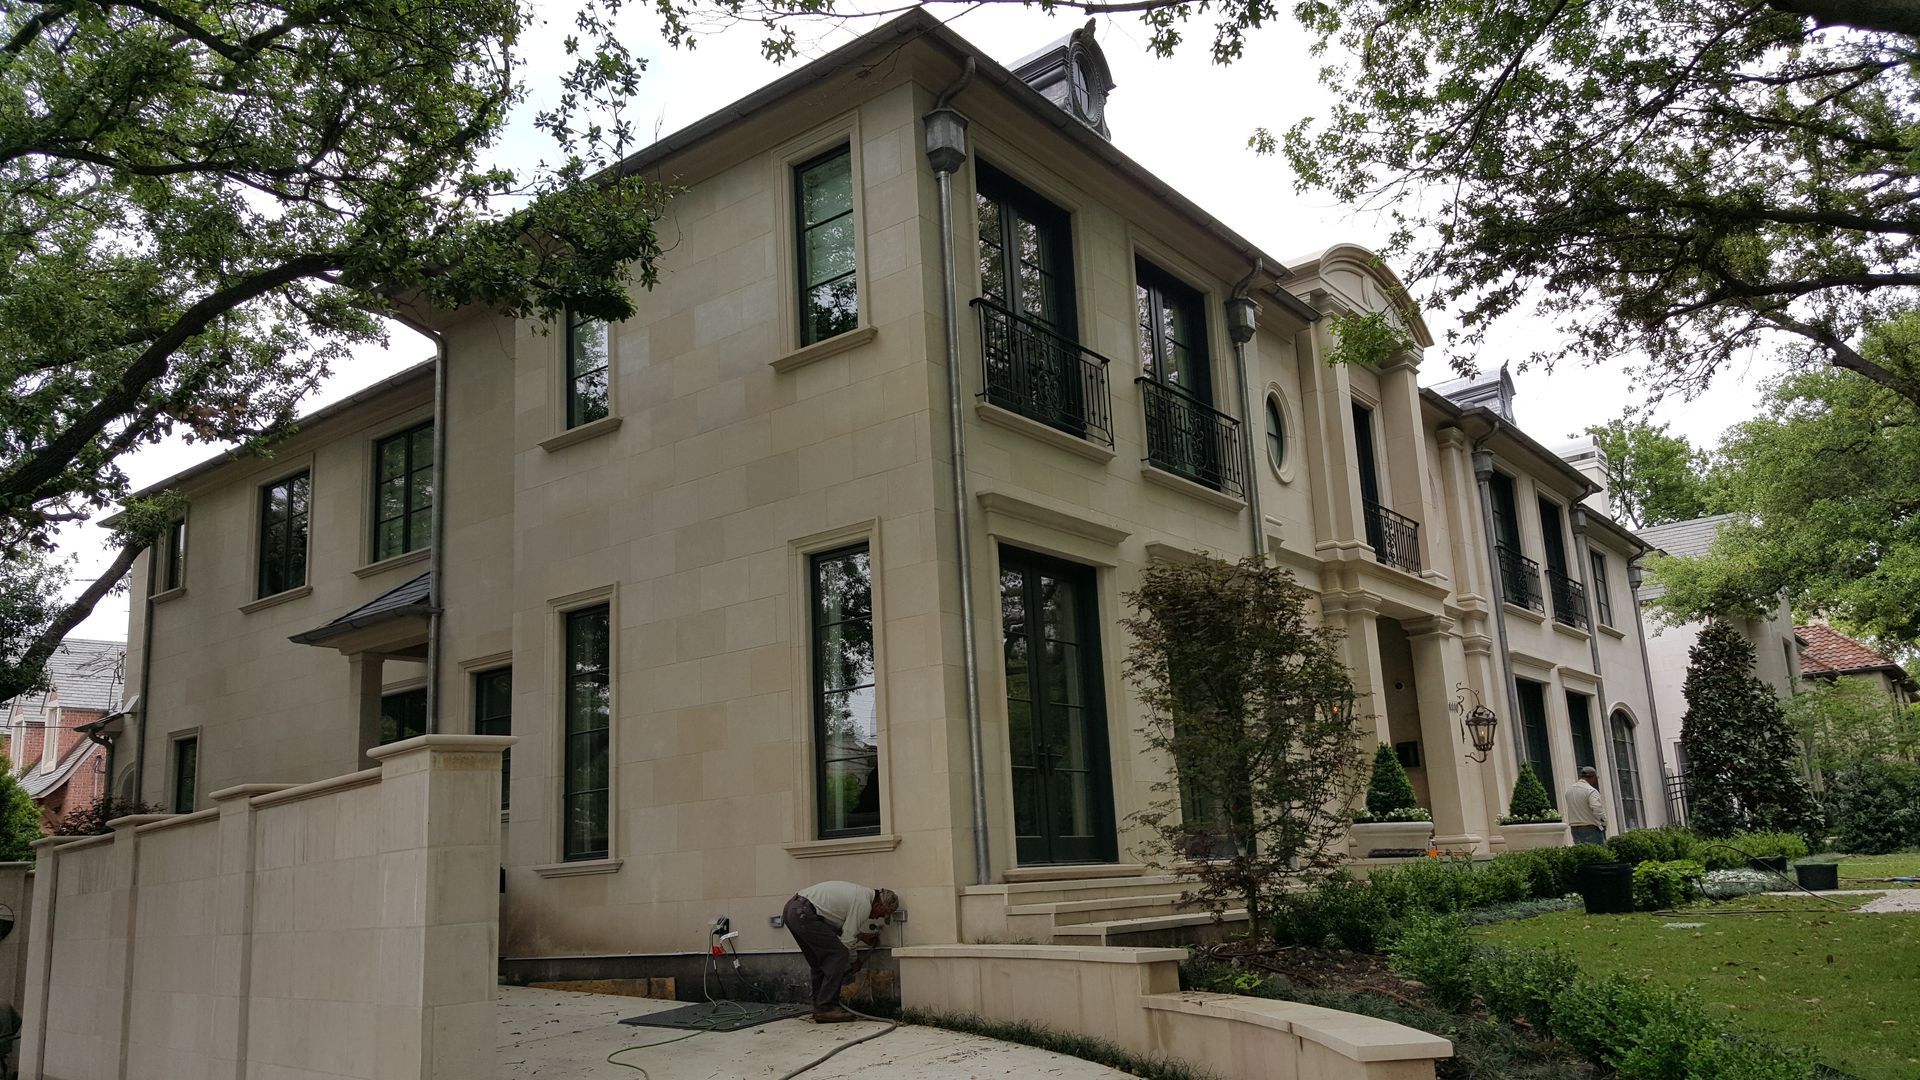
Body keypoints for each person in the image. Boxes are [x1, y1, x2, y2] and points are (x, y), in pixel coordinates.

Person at [783, 881, 899, 1023]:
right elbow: (847, 941)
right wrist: (854, 961)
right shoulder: (864, 904)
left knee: (819, 962)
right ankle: (826, 1007)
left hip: (793, 910)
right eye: (882, 914)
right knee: (839, 954)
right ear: (878, 906)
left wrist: (861, 936)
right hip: (804, 914)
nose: (877, 918)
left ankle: (820, 1007)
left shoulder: (860, 895)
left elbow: (834, 924)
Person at [1564, 765, 1607, 846]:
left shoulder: (1569, 791)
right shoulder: (1591, 791)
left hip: (1574, 828)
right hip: (1590, 828)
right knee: (1596, 851)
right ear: (1593, 777)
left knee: (1581, 852)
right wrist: (1604, 823)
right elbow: (1597, 809)